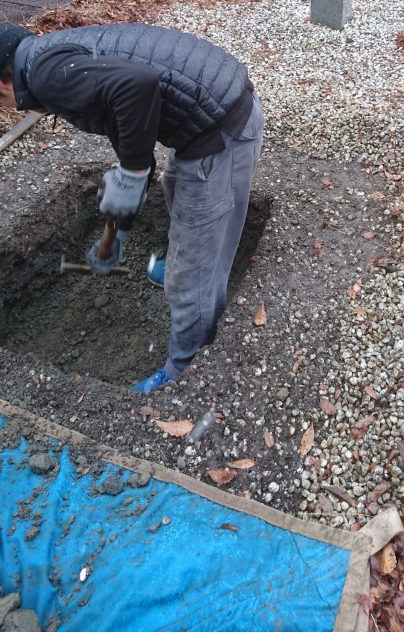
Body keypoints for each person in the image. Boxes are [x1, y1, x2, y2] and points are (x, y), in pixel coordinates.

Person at [0, 22, 264, 393]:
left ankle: (182, 370)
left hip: (221, 133)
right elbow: (131, 138)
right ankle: (182, 267)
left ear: (2, 85)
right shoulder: (54, 55)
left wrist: (131, 172)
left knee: (194, 273)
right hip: (207, 117)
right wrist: (117, 232)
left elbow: (138, 86)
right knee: (176, 188)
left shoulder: (45, 77)